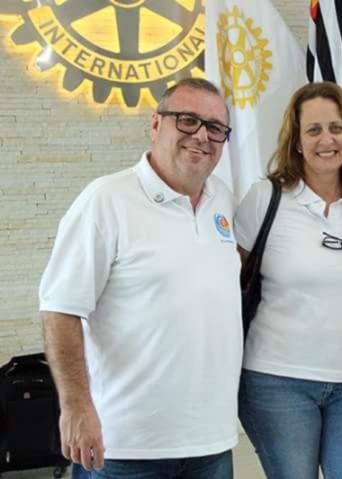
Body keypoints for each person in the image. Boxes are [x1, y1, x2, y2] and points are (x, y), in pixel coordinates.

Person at [38, 78, 242, 479]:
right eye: (188, 120)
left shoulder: (223, 200)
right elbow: (59, 309)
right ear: (155, 124)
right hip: (125, 448)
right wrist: (76, 406)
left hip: (212, 443)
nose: (202, 136)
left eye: (216, 128)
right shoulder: (106, 200)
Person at [234, 81, 342, 479]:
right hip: (277, 381)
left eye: (336, 128)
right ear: (296, 141)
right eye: (313, 130)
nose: (326, 140)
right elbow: (231, 280)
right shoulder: (265, 198)